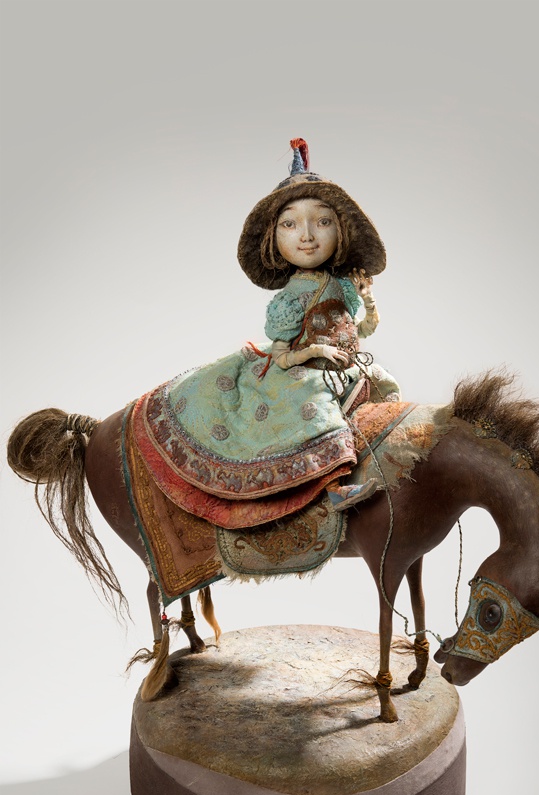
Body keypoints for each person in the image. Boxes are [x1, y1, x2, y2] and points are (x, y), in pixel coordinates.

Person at [148, 139, 400, 517]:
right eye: (290, 224)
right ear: (274, 238)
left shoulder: (343, 286)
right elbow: (281, 356)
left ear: (340, 230)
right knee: (316, 406)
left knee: (384, 386)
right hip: (301, 373)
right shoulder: (289, 300)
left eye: (323, 221)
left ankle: (385, 469)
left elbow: (361, 330)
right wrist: (316, 351)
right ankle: (333, 487)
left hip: (345, 366)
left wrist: (368, 300)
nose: (307, 235)